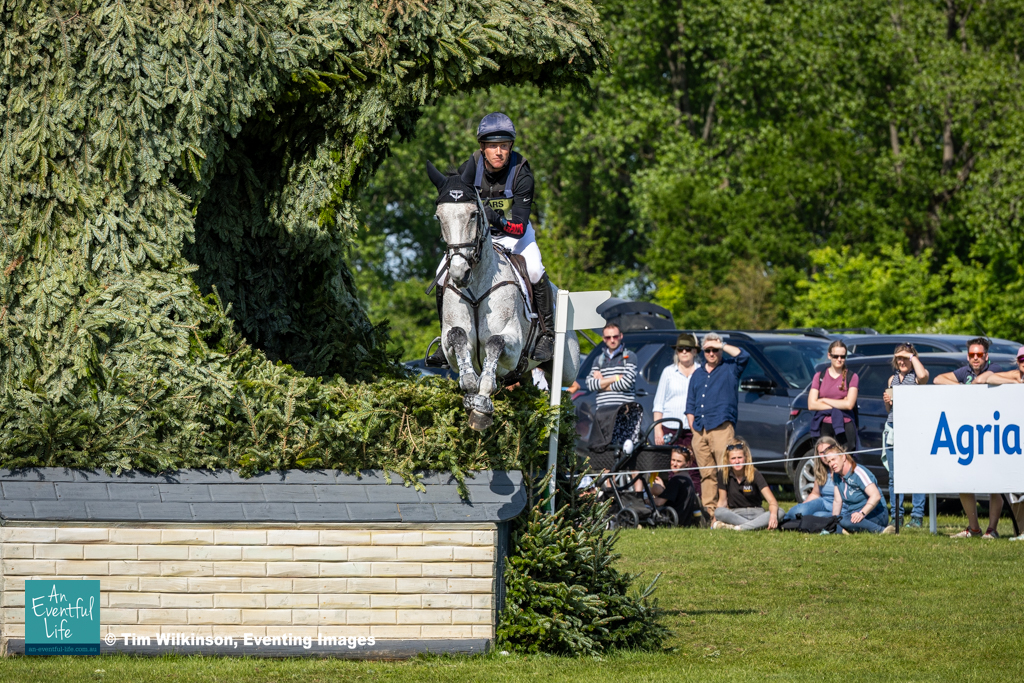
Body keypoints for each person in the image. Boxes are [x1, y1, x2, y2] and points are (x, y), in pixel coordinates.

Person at [426, 112, 554, 367]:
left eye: (504, 146)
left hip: (514, 235)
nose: (499, 152)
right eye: (493, 146)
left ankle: (547, 334)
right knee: (442, 275)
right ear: (482, 148)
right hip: (477, 239)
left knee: (536, 270)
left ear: (510, 148)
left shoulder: (522, 174)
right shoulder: (468, 171)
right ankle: (444, 341)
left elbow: (517, 228)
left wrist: (496, 219)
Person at [934, 337, 1004, 538]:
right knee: (963, 482)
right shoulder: (964, 372)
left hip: (992, 434)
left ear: (986, 356)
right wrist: (962, 387)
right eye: (972, 355)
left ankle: (992, 530)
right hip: (968, 435)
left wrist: (979, 381)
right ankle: (974, 529)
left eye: (979, 355)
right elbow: (938, 379)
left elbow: (991, 379)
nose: (975, 358)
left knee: (994, 484)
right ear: (967, 356)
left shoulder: (996, 368)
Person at [686, 332, 750, 515]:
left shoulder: (730, 368)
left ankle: (729, 509)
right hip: (700, 429)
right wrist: (693, 427)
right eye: (708, 350)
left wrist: (721, 344)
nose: (712, 353)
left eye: (715, 350)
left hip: (721, 426)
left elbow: (744, 356)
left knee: (726, 471)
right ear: (703, 352)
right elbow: (690, 403)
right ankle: (710, 512)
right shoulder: (697, 374)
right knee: (707, 474)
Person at [882, 344, 929, 528]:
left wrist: (911, 356)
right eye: (898, 358)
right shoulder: (892, 379)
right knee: (894, 476)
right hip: (894, 427)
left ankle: (916, 516)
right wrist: (887, 402)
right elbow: (889, 409)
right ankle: (897, 516)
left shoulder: (916, 376)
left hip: (913, 428)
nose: (901, 361)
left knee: (916, 472)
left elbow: (924, 376)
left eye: (905, 358)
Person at [711, 439, 781, 530]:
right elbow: (722, 502)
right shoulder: (723, 474)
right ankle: (754, 526)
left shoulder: (754, 473)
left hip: (757, 513)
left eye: (740, 457)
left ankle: (739, 528)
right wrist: (713, 522)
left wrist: (774, 516)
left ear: (746, 457)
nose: (737, 461)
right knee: (719, 512)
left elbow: (772, 501)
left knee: (780, 512)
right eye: (733, 458)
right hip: (735, 514)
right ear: (728, 460)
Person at [827, 447, 894, 534]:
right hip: (854, 514)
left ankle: (881, 530)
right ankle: (845, 529)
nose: (832, 464)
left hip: (875, 513)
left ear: (843, 457)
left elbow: (876, 496)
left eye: (833, 459)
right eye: (829, 461)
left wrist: (862, 513)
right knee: (830, 519)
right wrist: (834, 521)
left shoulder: (858, 472)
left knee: (844, 520)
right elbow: (837, 501)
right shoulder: (836, 476)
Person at [652, 333, 702, 451]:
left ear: (694, 352)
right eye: (680, 349)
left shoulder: (702, 372)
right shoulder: (668, 372)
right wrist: (658, 429)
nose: (684, 352)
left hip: (694, 429)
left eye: (688, 349)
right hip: (670, 427)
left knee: (693, 466)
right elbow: (658, 404)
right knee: (670, 465)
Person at [807, 340, 859, 450]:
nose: (839, 359)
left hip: (845, 425)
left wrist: (823, 399)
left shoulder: (852, 377)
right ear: (829, 356)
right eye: (836, 356)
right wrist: (841, 403)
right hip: (824, 425)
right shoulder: (819, 376)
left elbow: (849, 405)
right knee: (824, 459)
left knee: (845, 460)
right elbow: (811, 405)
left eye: (842, 356)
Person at [783, 437, 839, 522]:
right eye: (821, 452)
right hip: (823, 503)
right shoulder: (821, 471)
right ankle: (783, 520)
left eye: (827, 450)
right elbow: (815, 494)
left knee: (818, 516)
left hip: (841, 508)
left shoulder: (843, 469)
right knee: (798, 511)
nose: (825, 454)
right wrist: (803, 506)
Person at [585, 323, 637, 408]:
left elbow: (626, 382)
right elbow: (590, 384)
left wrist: (601, 384)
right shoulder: (599, 359)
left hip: (624, 411)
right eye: (608, 337)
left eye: (615, 336)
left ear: (621, 336)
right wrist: (615, 378)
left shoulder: (629, 356)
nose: (612, 340)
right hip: (603, 412)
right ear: (604, 339)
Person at [651, 447, 705, 526]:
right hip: (684, 521)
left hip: (673, 520)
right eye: (673, 460)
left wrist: (645, 500)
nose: (674, 464)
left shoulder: (677, 479)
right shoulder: (686, 477)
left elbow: (659, 502)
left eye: (679, 461)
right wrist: (663, 487)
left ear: (687, 463)